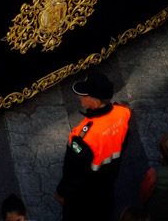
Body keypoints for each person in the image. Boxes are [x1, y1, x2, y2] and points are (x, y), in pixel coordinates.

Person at [55, 73, 132, 221]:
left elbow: (73, 172)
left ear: (95, 102)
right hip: (107, 184)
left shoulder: (82, 138)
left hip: (85, 194)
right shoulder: (123, 113)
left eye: (84, 95)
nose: (80, 97)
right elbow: (124, 141)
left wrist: (61, 192)